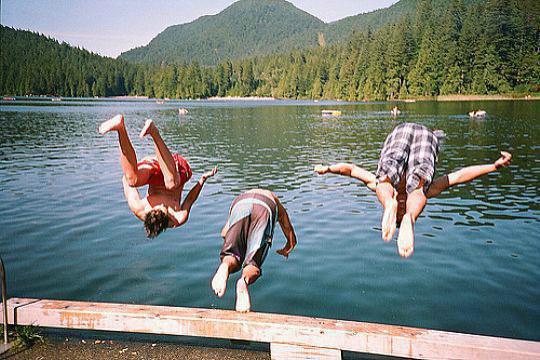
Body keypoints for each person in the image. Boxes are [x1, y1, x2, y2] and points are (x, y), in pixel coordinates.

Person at [314, 122, 512, 258]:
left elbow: (350, 170)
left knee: (383, 181)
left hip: (402, 134)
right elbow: (458, 177)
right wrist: (492, 166)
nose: (399, 209)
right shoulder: (425, 192)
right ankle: (411, 218)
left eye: (399, 215)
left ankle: (398, 211)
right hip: (425, 137)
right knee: (418, 188)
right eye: (402, 213)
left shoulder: (381, 186)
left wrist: (329, 168)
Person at [98, 114, 217, 238]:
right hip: (176, 169)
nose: (161, 205)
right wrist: (202, 180)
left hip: (155, 167)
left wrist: (131, 172)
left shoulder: (139, 208)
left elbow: (126, 181)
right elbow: (190, 200)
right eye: (163, 208)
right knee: (171, 184)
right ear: (167, 217)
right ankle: (154, 132)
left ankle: (120, 128)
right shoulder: (179, 217)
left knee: (132, 180)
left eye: (155, 207)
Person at [211, 189, 297, 312]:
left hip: (239, 205)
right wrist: (288, 247)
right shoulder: (276, 203)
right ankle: (243, 281)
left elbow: (224, 233)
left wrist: (239, 246)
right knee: (253, 264)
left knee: (232, 254)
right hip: (265, 207)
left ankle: (225, 266)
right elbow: (288, 230)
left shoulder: (243, 197)